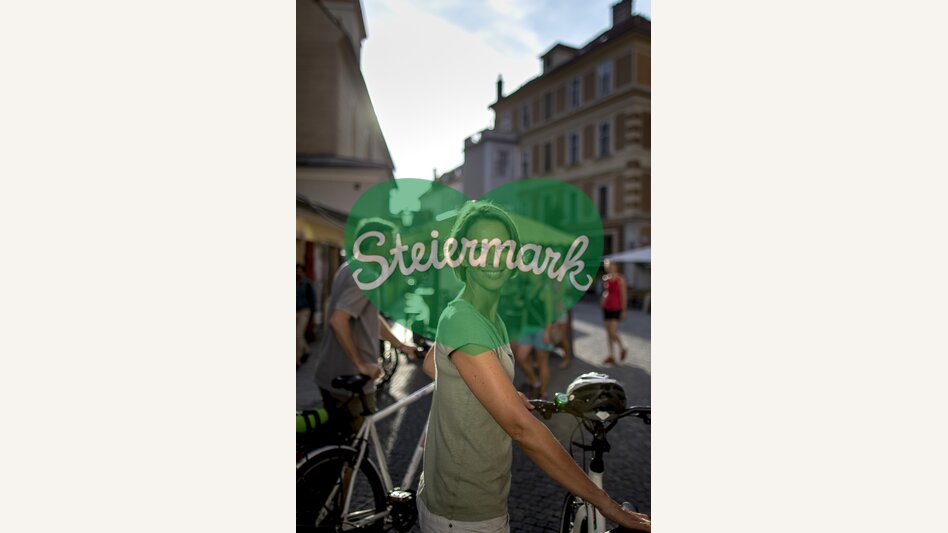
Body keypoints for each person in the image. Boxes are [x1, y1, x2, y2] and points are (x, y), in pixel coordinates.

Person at [418, 202, 650, 533]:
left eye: (503, 247)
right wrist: (608, 506)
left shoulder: (485, 316)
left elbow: (432, 363)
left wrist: (500, 392)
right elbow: (522, 428)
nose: (493, 257)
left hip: (465, 496)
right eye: (480, 248)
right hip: (463, 511)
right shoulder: (464, 320)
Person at [313, 218, 416, 439]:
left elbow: (370, 316)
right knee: (356, 447)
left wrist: (401, 345)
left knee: (338, 445)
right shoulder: (367, 276)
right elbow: (338, 320)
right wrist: (361, 365)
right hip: (351, 379)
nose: (393, 249)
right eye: (390, 243)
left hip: (330, 374)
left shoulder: (348, 267)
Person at [600, 259, 628, 365]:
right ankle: (611, 355)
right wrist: (603, 298)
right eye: (608, 266)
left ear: (616, 266)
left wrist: (624, 310)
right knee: (608, 333)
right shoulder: (605, 278)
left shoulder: (621, 279)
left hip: (616, 308)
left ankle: (623, 348)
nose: (610, 267)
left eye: (612, 266)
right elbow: (606, 291)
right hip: (606, 307)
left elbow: (624, 295)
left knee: (612, 332)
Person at [297, 263, 317, 370]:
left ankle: (297, 359)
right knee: (297, 335)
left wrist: (312, 314)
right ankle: (306, 350)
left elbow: (312, 299)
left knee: (298, 335)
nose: (298, 273)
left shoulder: (307, 284)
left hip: (304, 311)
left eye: (300, 271)